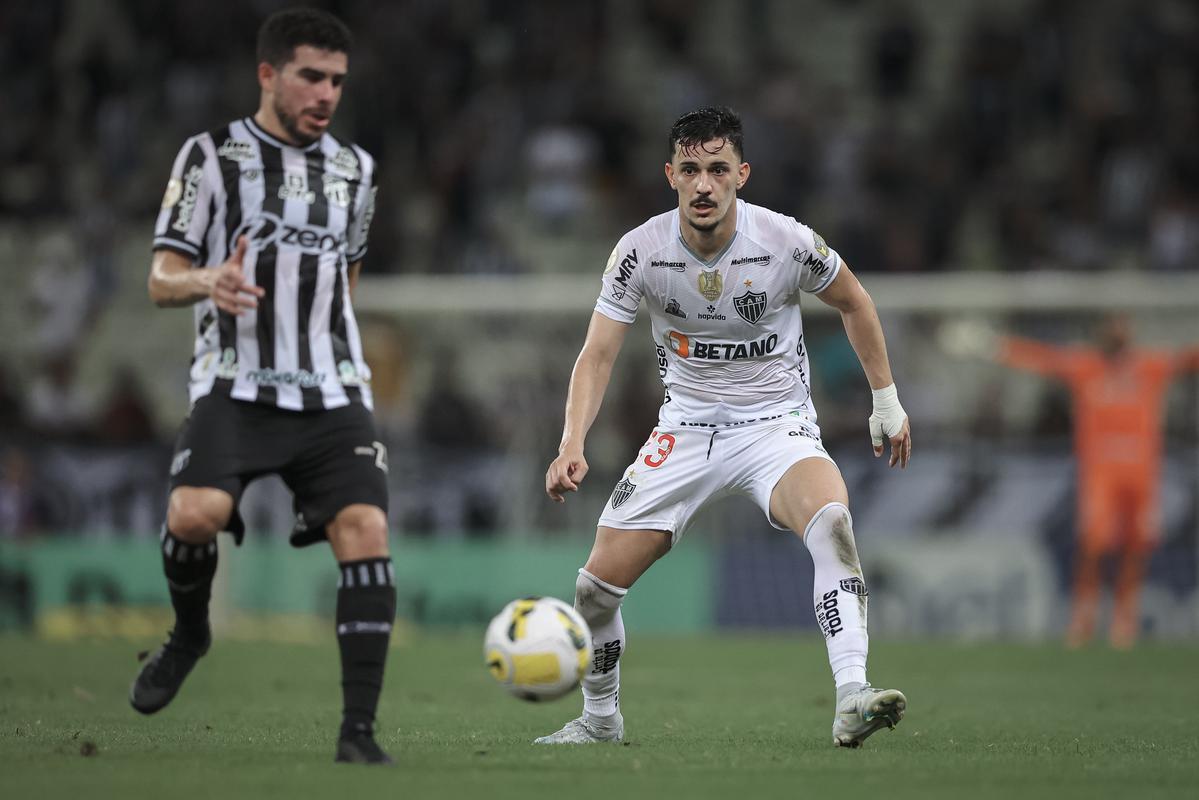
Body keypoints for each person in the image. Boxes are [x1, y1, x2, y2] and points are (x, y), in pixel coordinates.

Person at [538, 107, 911, 748]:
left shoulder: (786, 240)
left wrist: (887, 401)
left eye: (717, 169)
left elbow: (854, 300)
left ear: (741, 174)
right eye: (691, 170)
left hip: (776, 426)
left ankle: (853, 695)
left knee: (833, 524)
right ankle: (600, 722)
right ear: (671, 176)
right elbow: (597, 353)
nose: (704, 184)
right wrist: (571, 441)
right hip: (684, 430)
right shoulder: (640, 253)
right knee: (594, 591)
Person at [130, 9, 395, 765]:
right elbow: (159, 279)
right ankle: (190, 634)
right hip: (235, 385)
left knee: (366, 533)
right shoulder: (209, 158)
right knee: (192, 515)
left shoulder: (358, 171)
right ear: (268, 75)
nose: (325, 94)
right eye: (311, 76)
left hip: (331, 390)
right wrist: (210, 280)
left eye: (337, 81)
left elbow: (346, 280)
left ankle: (358, 736)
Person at [992, 314, 1199, 648]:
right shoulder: (1086, 367)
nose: (1118, 333)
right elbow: (1044, 360)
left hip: (1141, 474)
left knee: (1137, 545)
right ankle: (1083, 617)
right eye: (1112, 328)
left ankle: (1123, 620)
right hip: (1100, 474)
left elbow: (1187, 360)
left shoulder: (1148, 366)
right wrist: (997, 346)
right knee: (1094, 544)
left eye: (1123, 327)